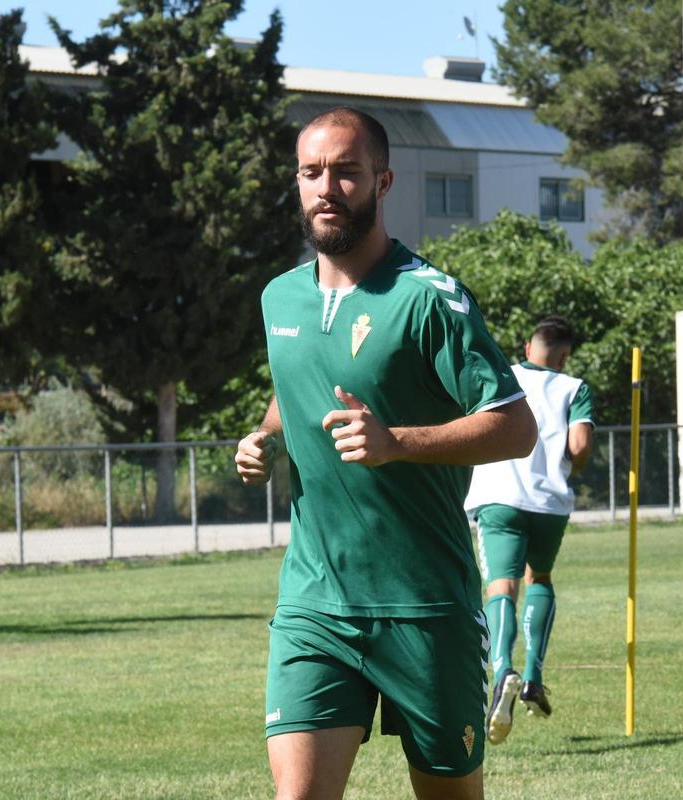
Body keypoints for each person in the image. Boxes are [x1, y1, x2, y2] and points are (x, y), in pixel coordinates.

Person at [235, 107, 537, 800]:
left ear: (383, 180)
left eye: (346, 171)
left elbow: (515, 426)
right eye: (312, 172)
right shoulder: (279, 297)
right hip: (316, 603)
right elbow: (294, 389)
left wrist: (394, 442)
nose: (327, 187)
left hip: (425, 607)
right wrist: (265, 439)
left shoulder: (428, 300)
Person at [463, 316, 594, 745]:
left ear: (526, 346)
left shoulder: (501, 374)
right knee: (540, 578)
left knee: (501, 587)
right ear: (564, 356)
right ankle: (534, 676)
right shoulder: (575, 388)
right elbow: (578, 447)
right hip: (549, 503)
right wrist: (568, 467)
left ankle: (504, 671)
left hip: (499, 496)